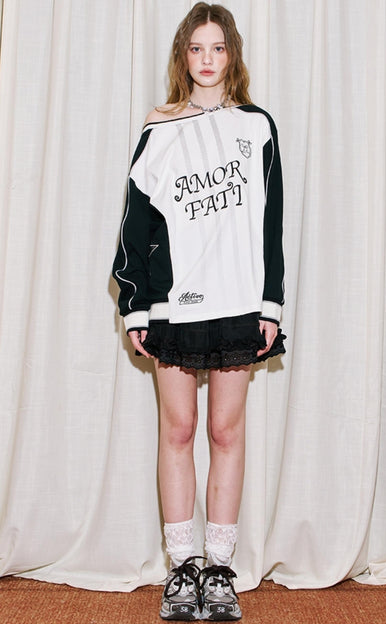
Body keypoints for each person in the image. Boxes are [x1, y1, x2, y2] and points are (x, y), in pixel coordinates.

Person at [112, 2, 285, 620]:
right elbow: (135, 227)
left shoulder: (256, 127)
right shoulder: (158, 129)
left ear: (231, 54)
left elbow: (271, 223)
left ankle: (219, 571)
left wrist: (271, 302)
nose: (207, 59)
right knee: (179, 430)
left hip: (238, 303)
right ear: (183, 56)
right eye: (196, 48)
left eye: (218, 48)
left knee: (226, 432)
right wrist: (136, 307)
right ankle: (181, 569)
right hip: (173, 306)